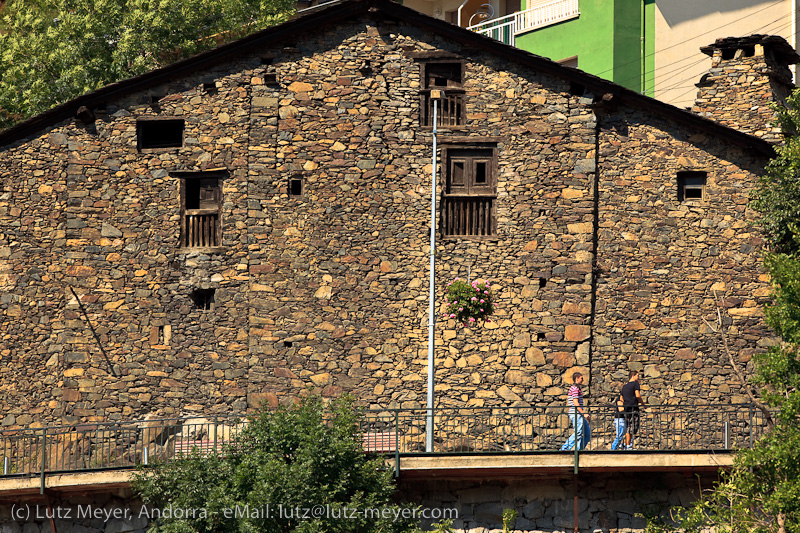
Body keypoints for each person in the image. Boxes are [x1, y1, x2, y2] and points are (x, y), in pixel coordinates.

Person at [560, 372, 591, 451]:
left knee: (587, 434)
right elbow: (576, 403)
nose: (582, 380)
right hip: (576, 413)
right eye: (581, 378)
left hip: (579, 413)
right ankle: (564, 449)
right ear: (576, 378)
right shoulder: (575, 388)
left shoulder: (577, 388)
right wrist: (584, 414)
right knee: (578, 432)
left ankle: (579, 450)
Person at [620, 370, 645, 450]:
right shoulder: (635, 384)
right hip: (633, 408)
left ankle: (624, 444)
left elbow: (621, 398)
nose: (638, 378)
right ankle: (628, 445)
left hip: (626, 409)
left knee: (627, 427)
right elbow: (637, 395)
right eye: (637, 376)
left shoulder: (624, 386)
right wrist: (643, 404)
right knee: (632, 428)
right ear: (633, 376)